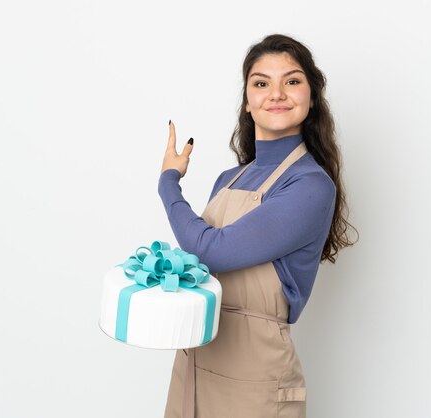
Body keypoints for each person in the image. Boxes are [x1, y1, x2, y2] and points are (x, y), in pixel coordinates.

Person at [158, 34, 357, 418]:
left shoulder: (310, 186)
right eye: (261, 83)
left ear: (312, 97)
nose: (276, 93)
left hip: (255, 382)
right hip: (195, 363)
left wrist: (168, 182)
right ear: (248, 102)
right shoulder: (228, 179)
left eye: (293, 81)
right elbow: (198, 263)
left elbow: (211, 249)